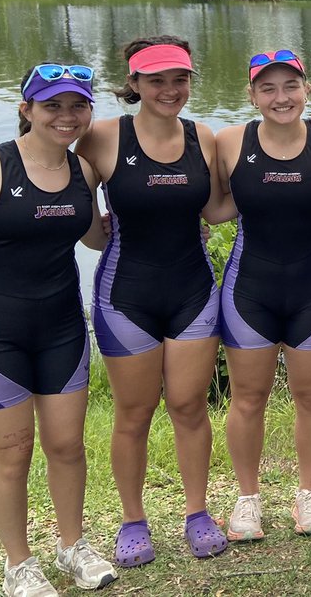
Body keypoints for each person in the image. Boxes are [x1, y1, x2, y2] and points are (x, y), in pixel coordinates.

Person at [0, 64, 119, 596]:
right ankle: (18, 563)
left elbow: (91, 237)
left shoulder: (84, 171)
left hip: (62, 327)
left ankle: (71, 546)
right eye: (52, 106)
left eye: (77, 106)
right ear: (26, 109)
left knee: (67, 446)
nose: (67, 117)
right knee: (13, 453)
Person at [77, 36, 228, 567]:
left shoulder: (203, 138)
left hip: (192, 291)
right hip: (126, 294)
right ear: (134, 84)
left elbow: (216, 211)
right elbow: (49, 171)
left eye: (180, 79)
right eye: (157, 80)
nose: (170, 90)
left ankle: (196, 513)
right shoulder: (99, 138)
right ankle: (133, 521)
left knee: (189, 407)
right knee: (134, 414)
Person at [211, 50, 311, 541]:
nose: (280, 97)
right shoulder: (228, 142)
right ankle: (247, 498)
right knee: (248, 398)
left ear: (306, 88)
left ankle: (307, 492)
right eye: (267, 88)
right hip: (250, 289)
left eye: (290, 85)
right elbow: (206, 204)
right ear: (251, 95)